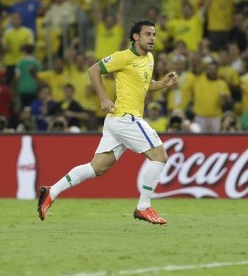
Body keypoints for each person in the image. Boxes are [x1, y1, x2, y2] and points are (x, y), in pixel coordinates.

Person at [37, 19, 179, 225]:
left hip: (117, 122)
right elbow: (93, 70)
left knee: (97, 168)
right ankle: (144, 207)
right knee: (160, 155)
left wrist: (163, 84)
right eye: (148, 34)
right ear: (136, 37)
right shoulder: (123, 57)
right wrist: (103, 97)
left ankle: (52, 191)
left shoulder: (149, 59)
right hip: (125, 117)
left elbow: (144, 85)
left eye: (154, 34)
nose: (152, 38)